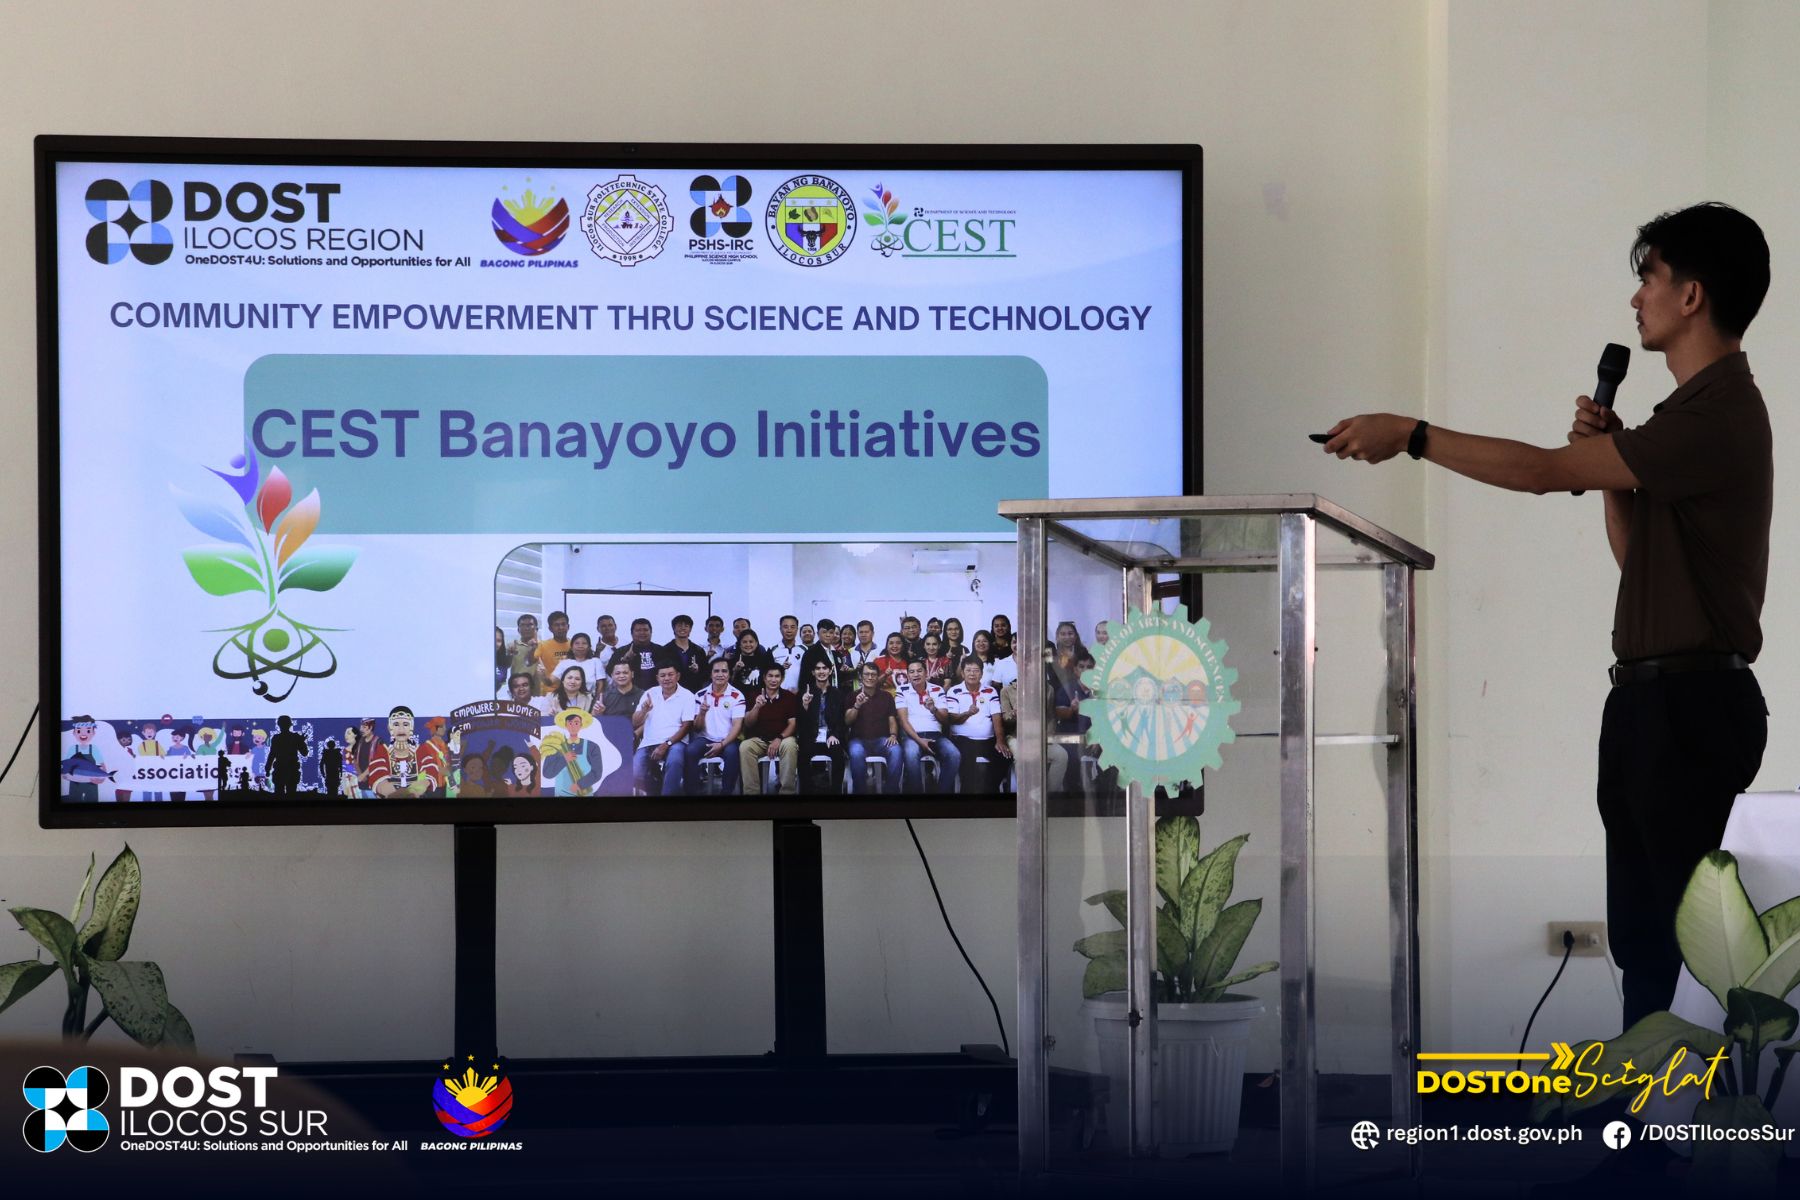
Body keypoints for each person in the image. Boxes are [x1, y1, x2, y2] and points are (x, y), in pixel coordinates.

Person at [1322, 202, 1772, 1025]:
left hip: (1691, 708)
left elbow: (1537, 472)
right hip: (1654, 703)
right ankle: (1647, 1106)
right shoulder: (1684, 418)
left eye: (1649, 278)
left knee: (1685, 952)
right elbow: (1638, 562)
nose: (1636, 298)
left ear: (1692, 295)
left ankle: (1686, 1107)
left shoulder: (1716, 413)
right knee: (1646, 942)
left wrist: (1413, 434)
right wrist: (1609, 470)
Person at [633, 663, 698, 796]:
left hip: (675, 742)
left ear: (678, 676)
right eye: (662, 675)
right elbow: (635, 722)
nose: (666, 678)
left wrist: (666, 744)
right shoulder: (650, 693)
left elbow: (687, 725)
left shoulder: (687, 695)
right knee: (635, 772)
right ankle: (657, 789)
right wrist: (644, 710)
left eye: (670, 674)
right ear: (657, 678)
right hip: (649, 742)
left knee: (674, 762)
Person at [942, 659, 1007, 794]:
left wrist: (1000, 740)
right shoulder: (954, 691)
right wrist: (967, 713)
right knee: (968, 768)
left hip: (988, 740)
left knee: (1004, 758)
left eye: (976, 670)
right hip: (962, 739)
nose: (972, 674)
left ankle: (990, 792)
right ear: (962, 673)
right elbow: (951, 719)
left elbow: (996, 717)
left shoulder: (990, 691)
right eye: (968, 670)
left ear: (982, 674)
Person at [896, 659, 960, 793]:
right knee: (911, 753)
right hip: (912, 736)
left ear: (926, 673)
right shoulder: (902, 689)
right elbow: (903, 721)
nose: (916, 674)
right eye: (912, 672)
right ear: (908, 675)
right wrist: (920, 741)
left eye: (919, 671)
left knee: (954, 754)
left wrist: (933, 709)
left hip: (935, 735)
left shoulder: (937, 689)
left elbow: (945, 720)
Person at [739, 666, 801, 795]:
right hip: (760, 739)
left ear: (782, 679)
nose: (773, 680)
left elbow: (793, 724)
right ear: (764, 678)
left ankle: (787, 792)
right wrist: (757, 707)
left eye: (777, 676)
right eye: (770, 676)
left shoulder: (789, 697)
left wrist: (779, 738)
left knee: (790, 745)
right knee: (745, 747)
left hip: (782, 738)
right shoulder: (754, 695)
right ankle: (751, 793)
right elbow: (748, 723)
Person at [844, 662, 903, 795]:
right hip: (858, 740)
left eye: (873, 674)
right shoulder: (852, 696)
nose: (870, 677)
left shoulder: (887, 697)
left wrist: (893, 735)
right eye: (867, 674)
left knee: (896, 750)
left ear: (877, 677)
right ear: (861, 677)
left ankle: (891, 792)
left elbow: (892, 719)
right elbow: (847, 721)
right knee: (856, 753)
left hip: (882, 740)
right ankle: (860, 793)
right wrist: (857, 705)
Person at [691, 659, 748, 794]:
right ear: (711, 674)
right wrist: (702, 713)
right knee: (690, 751)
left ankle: (726, 793)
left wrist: (722, 744)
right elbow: (696, 728)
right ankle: (691, 792)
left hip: (728, 740)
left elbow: (737, 726)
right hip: (705, 739)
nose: (720, 674)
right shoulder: (700, 695)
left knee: (732, 753)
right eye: (716, 671)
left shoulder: (737, 696)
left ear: (729, 674)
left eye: (724, 671)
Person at [797, 659, 849, 792]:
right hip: (811, 737)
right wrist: (805, 706)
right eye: (818, 668)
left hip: (830, 736)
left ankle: (835, 792)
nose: (821, 671)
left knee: (838, 754)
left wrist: (835, 734)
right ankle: (807, 792)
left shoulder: (838, 694)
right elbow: (800, 723)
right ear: (813, 672)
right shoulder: (805, 693)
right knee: (802, 755)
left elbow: (842, 720)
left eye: (824, 668)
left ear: (830, 671)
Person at [543, 708, 608, 797]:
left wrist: (580, 785)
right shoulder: (556, 746)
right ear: (565, 725)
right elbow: (547, 773)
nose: (573, 726)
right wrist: (564, 759)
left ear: (581, 725)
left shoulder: (592, 747)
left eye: (576, 723)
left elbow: (597, 772)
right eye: (570, 723)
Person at [607, 618, 669, 690]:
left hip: (657, 692)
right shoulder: (621, 651)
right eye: (638, 630)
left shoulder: (660, 650)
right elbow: (610, 671)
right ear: (632, 633)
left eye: (645, 630)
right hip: (631, 693)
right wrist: (624, 660)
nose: (642, 633)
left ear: (651, 632)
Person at [800, 619, 852, 694]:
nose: (828, 635)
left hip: (836, 695)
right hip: (817, 695)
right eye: (824, 632)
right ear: (818, 634)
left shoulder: (837, 653)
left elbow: (838, 677)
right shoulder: (810, 653)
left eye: (831, 632)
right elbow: (804, 680)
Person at [664, 615, 711, 694]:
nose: (683, 628)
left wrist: (698, 670)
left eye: (686, 626)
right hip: (671, 692)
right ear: (673, 628)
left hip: (694, 692)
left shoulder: (698, 650)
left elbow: (706, 674)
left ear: (690, 629)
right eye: (679, 625)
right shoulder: (665, 650)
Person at [724, 628, 779, 694]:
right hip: (738, 698)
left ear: (756, 643)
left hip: (760, 697)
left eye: (751, 642)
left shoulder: (765, 660)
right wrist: (735, 671)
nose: (748, 645)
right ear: (739, 644)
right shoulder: (732, 661)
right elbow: (727, 685)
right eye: (744, 642)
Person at [267, 714, 307, 798]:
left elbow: (272, 755)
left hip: (280, 769)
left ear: (279, 725)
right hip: (291, 769)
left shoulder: (276, 738)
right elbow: (304, 753)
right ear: (290, 725)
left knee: (279, 794)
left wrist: (268, 768)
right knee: (291, 795)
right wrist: (302, 742)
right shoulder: (295, 737)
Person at [534, 610, 573, 693]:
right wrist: (531, 649)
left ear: (568, 626)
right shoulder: (543, 645)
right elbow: (529, 661)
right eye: (556, 625)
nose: (561, 627)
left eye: (563, 624)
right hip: (549, 691)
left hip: (571, 691)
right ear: (550, 628)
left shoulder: (575, 646)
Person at [771, 614, 806, 689]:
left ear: (797, 629)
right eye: (785, 627)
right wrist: (780, 668)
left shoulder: (804, 650)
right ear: (780, 629)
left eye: (792, 627)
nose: (789, 630)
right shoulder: (773, 651)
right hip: (779, 693)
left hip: (800, 693)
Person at [506, 614, 540, 682]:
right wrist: (509, 654)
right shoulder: (512, 646)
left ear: (536, 629)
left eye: (530, 625)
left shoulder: (543, 646)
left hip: (539, 686)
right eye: (522, 625)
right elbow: (506, 666)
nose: (526, 628)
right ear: (518, 629)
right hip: (519, 686)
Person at [493, 626, 510, 696]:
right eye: (493, 639)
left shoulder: (502, 661)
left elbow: (500, 684)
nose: (496, 643)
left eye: (499, 641)